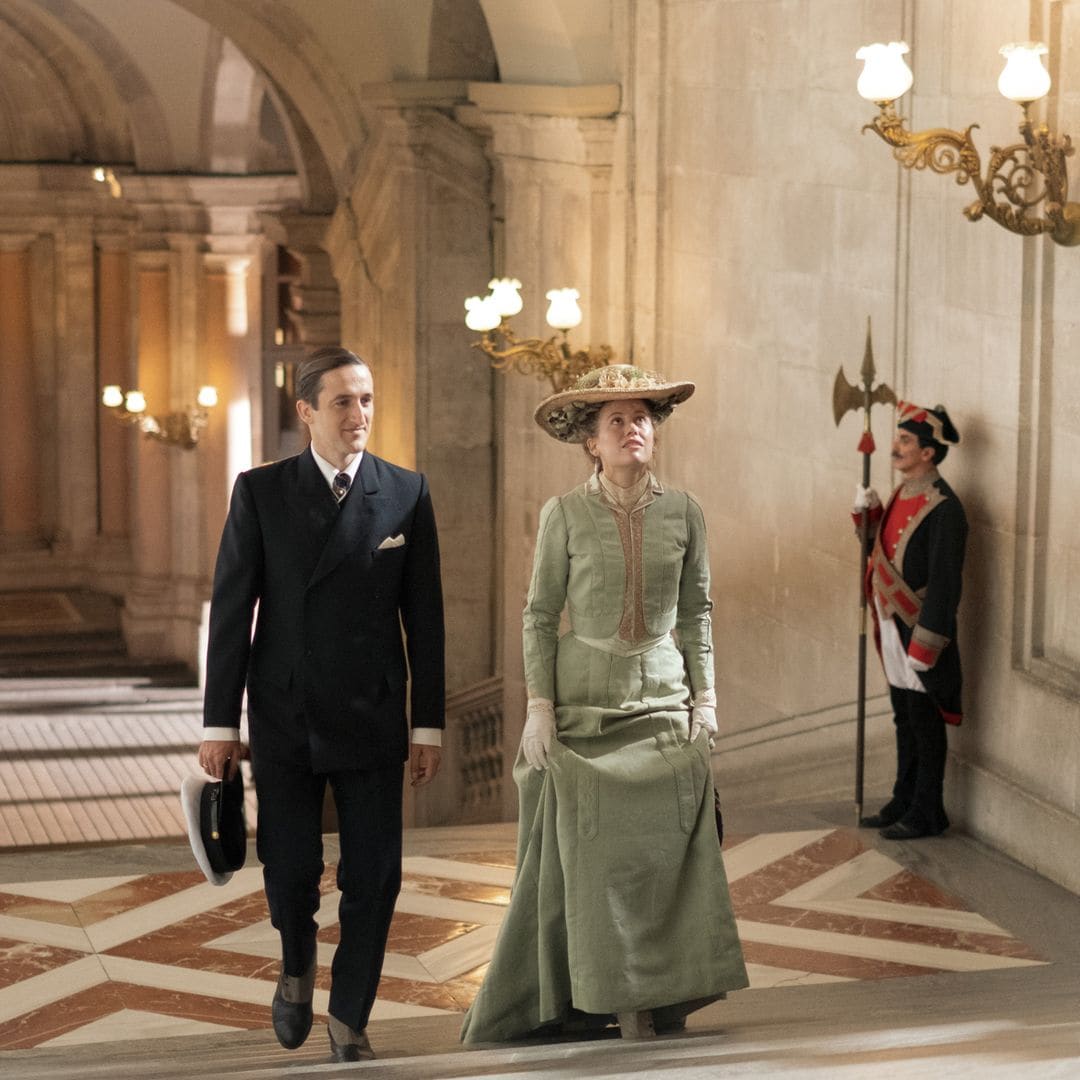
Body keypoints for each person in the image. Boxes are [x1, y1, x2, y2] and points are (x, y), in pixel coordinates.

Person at [461, 364, 748, 1046]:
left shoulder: (686, 512)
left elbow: (697, 612)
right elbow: (539, 615)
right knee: (592, 867)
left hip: (663, 704)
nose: (632, 428)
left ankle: (656, 995)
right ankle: (596, 997)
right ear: (592, 441)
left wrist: (705, 699)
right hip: (583, 713)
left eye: (641, 417)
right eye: (616, 420)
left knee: (662, 863)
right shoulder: (563, 514)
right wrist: (538, 706)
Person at [198, 346, 445, 1062]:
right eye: (342, 401)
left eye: (366, 399)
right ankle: (297, 962)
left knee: (376, 875)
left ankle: (350, 1016)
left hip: (373, 712)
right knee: (289, 867)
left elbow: (425, 619)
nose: (358, 414)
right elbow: (233, 612)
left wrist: (427, 725)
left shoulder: (406, 491)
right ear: (306, 411)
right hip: (286, 714)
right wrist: (219, 723)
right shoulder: (261, 491)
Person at [854, 400, 966, 840]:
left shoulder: (945, 508)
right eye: (898, 439)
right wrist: (868, 517)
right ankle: (903, 799)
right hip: (890, 622)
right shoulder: (903, 492)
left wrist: (927, 643)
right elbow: (884, 552)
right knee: (903, 715)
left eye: (905, 441)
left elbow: (945, 583)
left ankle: (927, 810)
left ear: (928, 452)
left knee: (924, 720)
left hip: (917, 630)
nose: (895, 448)